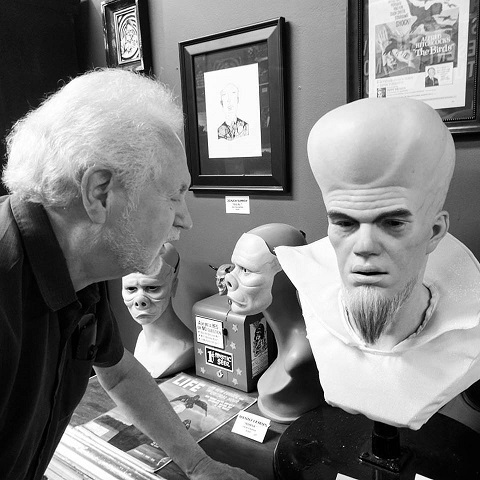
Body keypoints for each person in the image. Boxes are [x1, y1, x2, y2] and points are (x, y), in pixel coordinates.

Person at [0, 68, 257, 480]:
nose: (185, 220)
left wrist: (200, 466)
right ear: (100, 192)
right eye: (173, 196)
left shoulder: (79, 266)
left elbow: (118, 374)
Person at [275, 97, 480, 430]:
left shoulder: (469, 334)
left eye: (393, 223)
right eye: (345, 223)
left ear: (434, 232)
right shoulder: (315, 302)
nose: (364, 247)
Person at [225, 223, 323, 423]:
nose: (230, 279)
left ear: (286, 274)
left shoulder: (300, 357)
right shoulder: (287, 347)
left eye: (246, 270)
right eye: (234, 267)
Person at [122, 243, 194, 378]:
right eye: (131, 289)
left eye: (152, 288)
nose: (139, 301)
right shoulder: (141, 341)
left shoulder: (188, 349)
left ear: (173, 286)